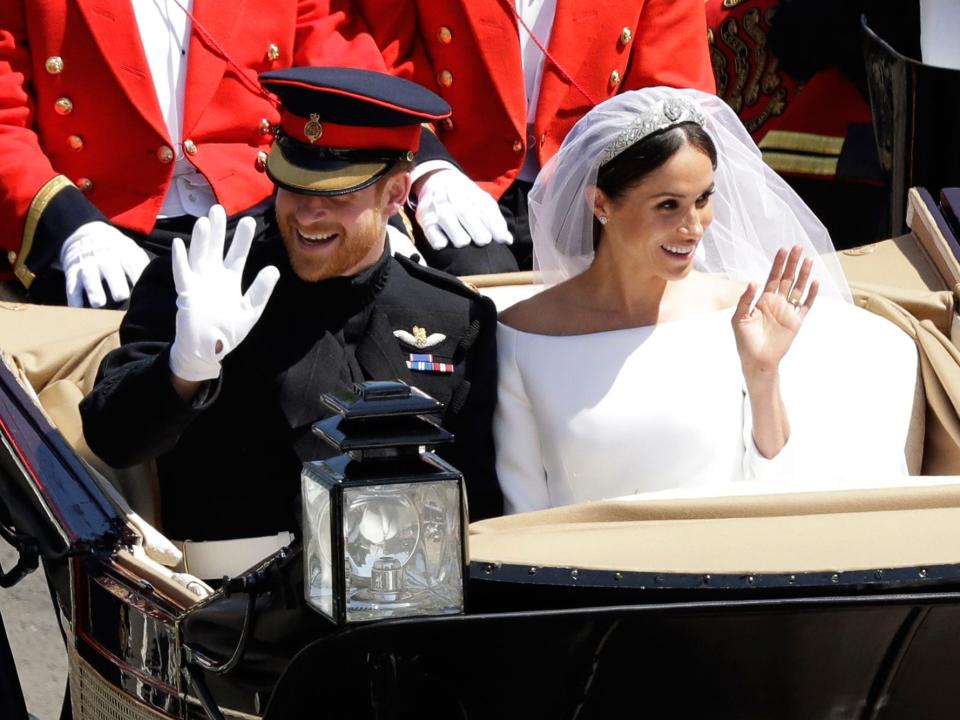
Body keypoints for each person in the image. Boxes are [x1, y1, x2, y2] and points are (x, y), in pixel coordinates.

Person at [79, 67, 501, 578]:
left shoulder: (451, 316)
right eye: (294, 187)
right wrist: (183, 369)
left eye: (337, 197)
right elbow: (113, 439)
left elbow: (475, 507)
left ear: (394, 196)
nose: (307, 214)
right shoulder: (204, 281)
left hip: (399, 614)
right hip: (234, 615)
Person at [494, 87, 919, 514]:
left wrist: (763, 372)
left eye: (703, 199)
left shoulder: (745, 314)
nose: (694, 226)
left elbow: (785, 492)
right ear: (601, 203)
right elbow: (521, 512)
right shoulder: (522, 337)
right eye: (668, 205)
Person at [0, 0, 506, 308]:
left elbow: (336, 58)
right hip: (106, 227)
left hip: (262, 210)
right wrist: (69, 227)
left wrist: (424, 167)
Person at [354, 0, 716, 273]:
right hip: (458, 171)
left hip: (596, 181)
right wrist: (430, 168)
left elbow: (669, 87)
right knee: (473, 292)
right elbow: (385, 52)